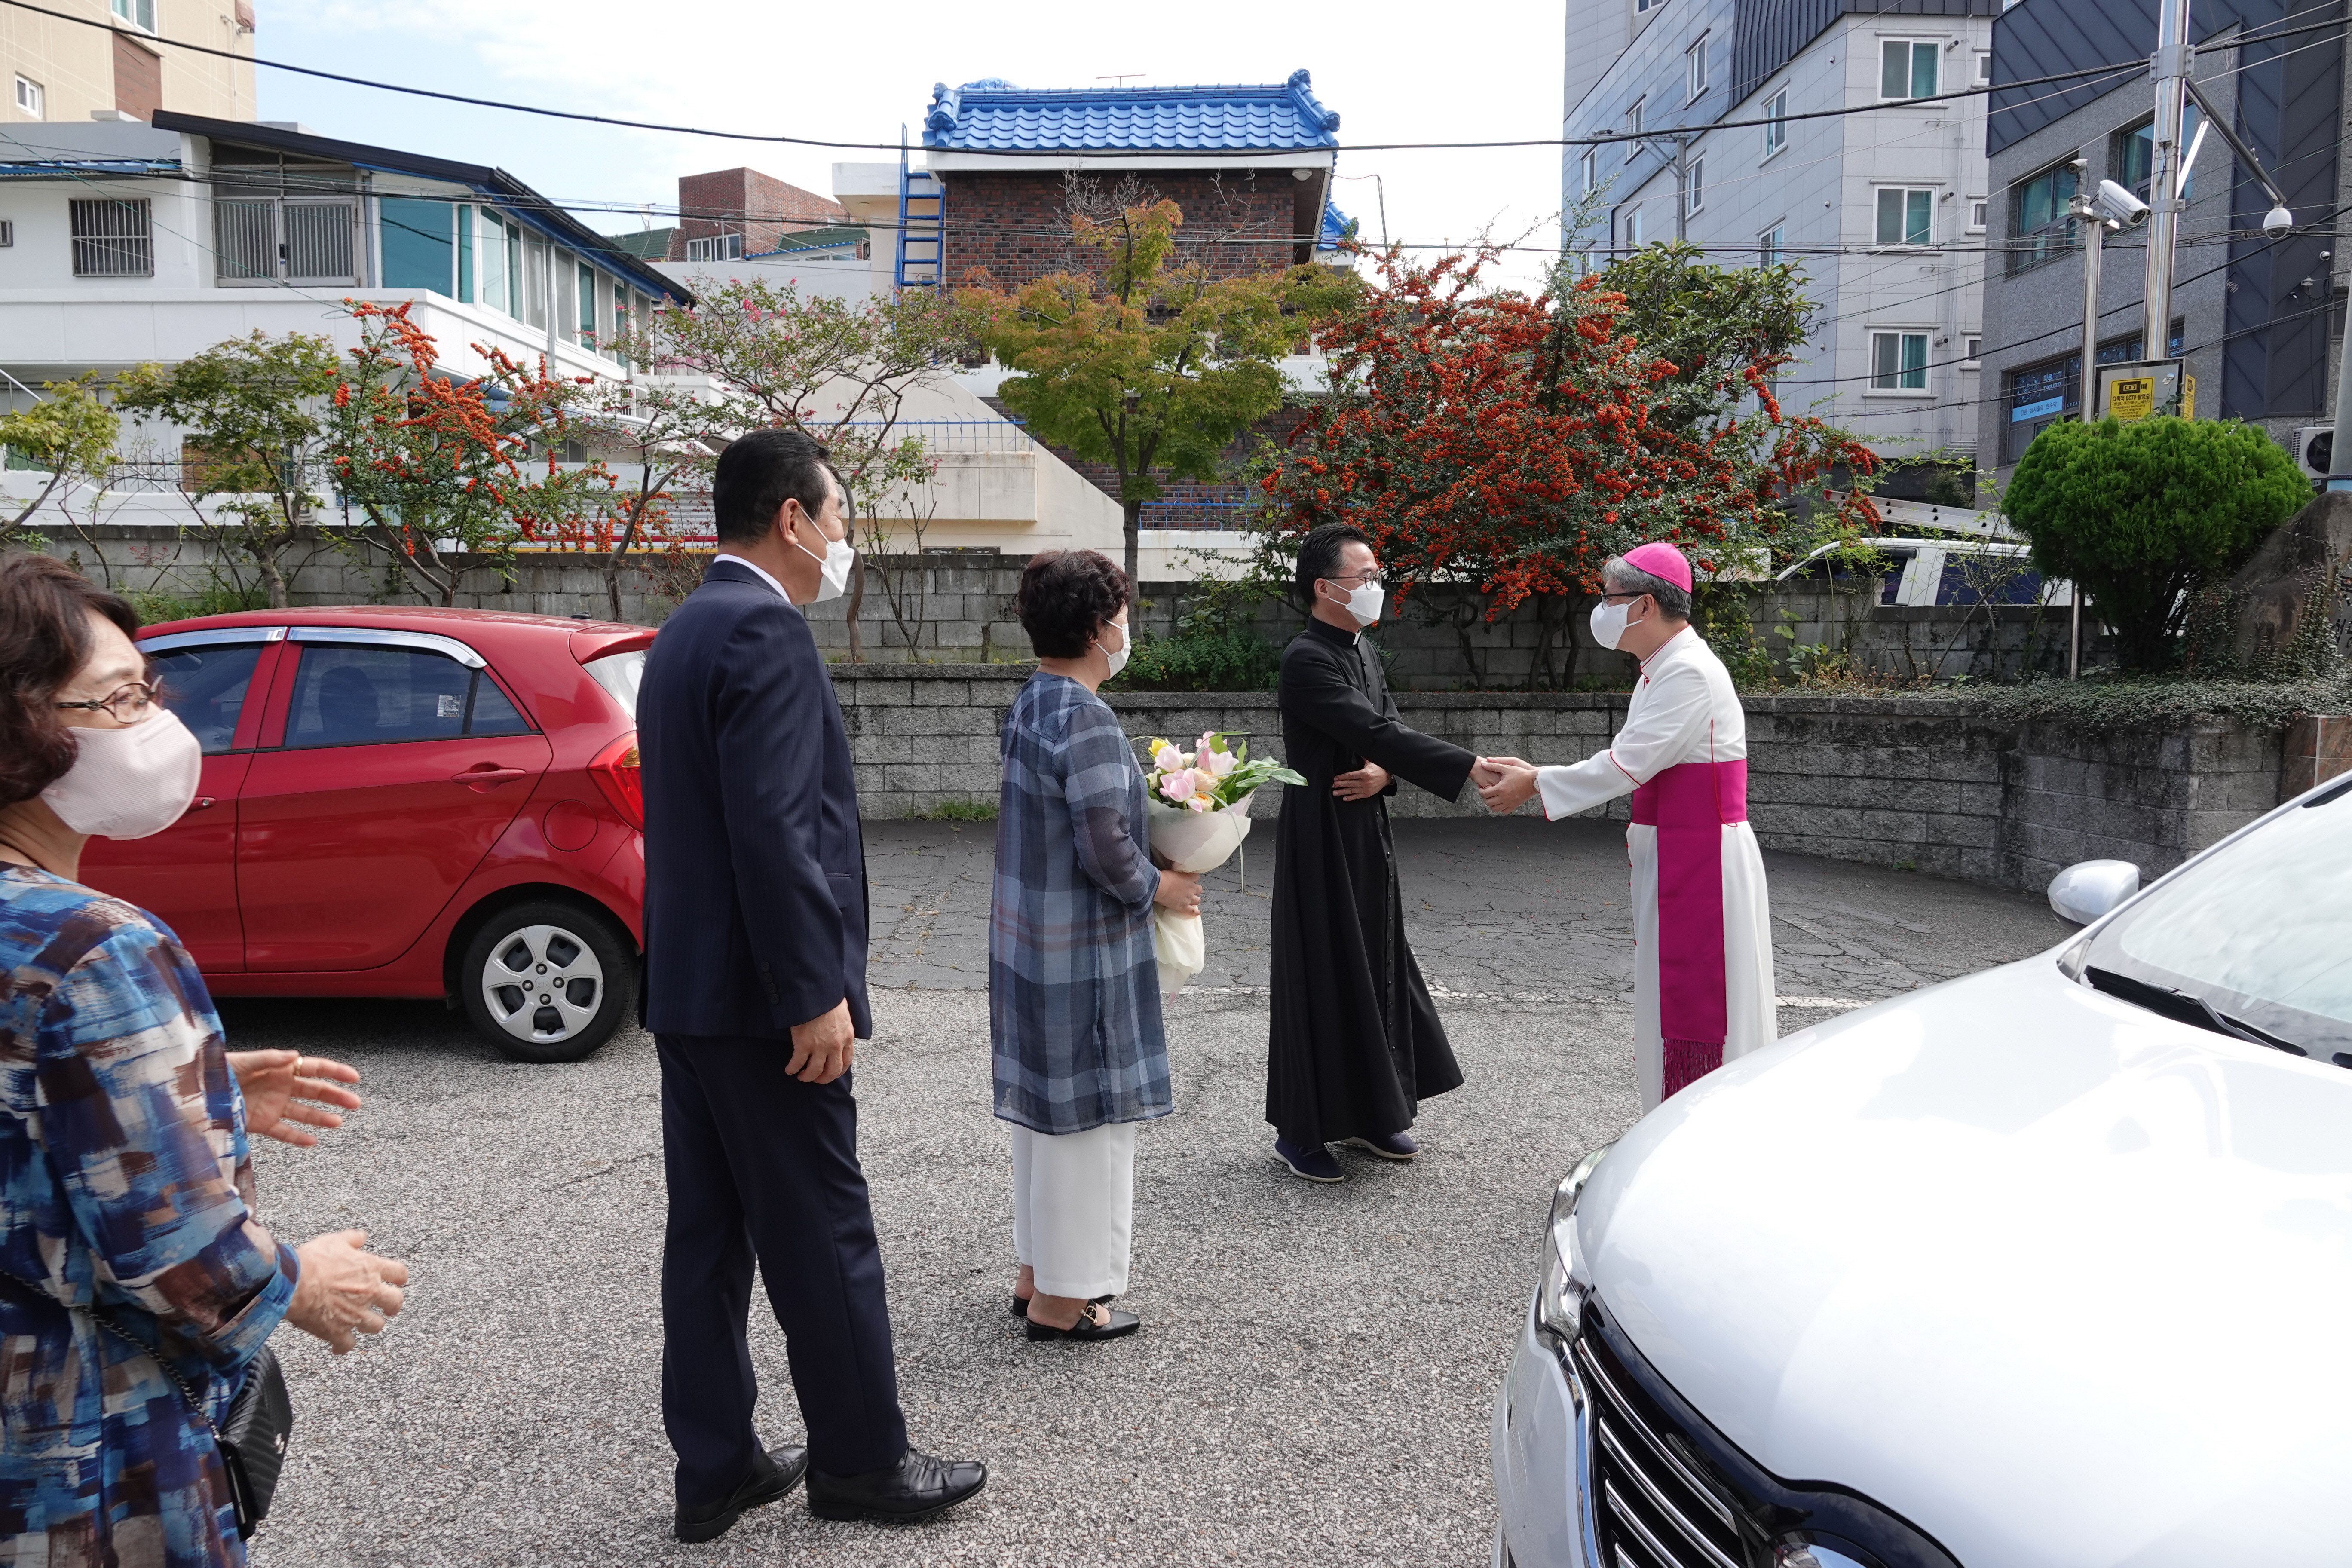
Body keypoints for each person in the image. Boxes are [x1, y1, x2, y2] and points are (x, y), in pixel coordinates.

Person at [0, 556, 407, 1568]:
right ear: (21, 730)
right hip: (89, 1459)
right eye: (120, 698)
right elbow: (181, 1257)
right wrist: (304, 1281)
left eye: (151, 691)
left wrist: (194, 1094)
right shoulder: (96, 945)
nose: (156, 724)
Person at [637, 428, 985, 1542]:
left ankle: (716, 1464)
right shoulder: (765, 633)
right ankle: (863, 1462)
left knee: (709, 1236)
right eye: (838, 517)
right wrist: (814, 990)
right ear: (792, 518)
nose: (844, 539)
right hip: (764, 1005)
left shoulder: (687, 629)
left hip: (690, 993)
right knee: (826, 1227)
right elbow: (779, 835)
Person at [1477, 542, 1777, 1109]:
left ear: (1642, 606)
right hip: (1683, 854)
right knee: (1671, 999)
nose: (1602, 608)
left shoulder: (1686, 673)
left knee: (1704, 1002)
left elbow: (1626, 765)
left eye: (1609, 597)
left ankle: (1702, 1129)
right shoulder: (1661, 670)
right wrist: (1539, 773)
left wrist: (1536, 782)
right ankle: (1676, 1125)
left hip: (1702, 863)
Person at [991, 551, 1200, 1343]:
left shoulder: (1033, 702)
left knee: (1047, 1117)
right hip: (1079, 946)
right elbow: (1108, 846)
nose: (1126, 629)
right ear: (1095, 627)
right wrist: (1163, 887)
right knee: (1090, 1118)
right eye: (1120, 615)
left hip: (1030, 940)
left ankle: (1037, 1273)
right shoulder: (1086, 716)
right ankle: (1065, 1299)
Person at [1265, 524, 1482, 1182]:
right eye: (1365, 578)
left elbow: (1386, 733)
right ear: (1325, 588)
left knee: (1377, 964)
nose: (1376, 587)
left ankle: (1369, 1112)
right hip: (1321, 835)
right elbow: (1367, 729)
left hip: (1366, 831)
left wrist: (1388, 774)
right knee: (1321, 971)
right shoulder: (1308, 658)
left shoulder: (1361, 651)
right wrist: (1471, 767)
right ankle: (1300, 1133)